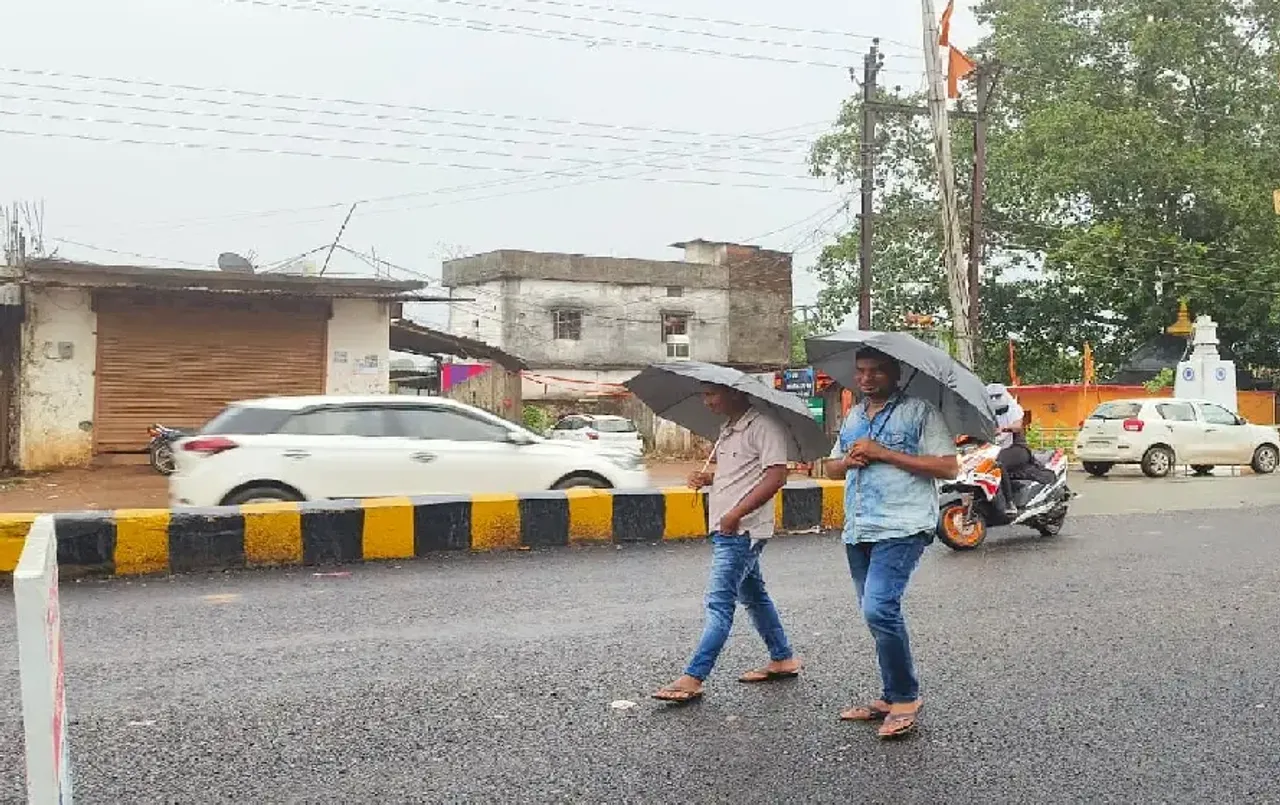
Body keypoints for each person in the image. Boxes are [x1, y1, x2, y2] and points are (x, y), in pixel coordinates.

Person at [823, 348, 959, 738]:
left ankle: (905, 698)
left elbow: (948, 466)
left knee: (879, 608)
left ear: (895, 374)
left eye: (877, 371)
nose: (866, 379)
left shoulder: (920, 412)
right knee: (875, 615)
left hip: (902, 525)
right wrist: (848, 462)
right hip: (859, 527)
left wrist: (883, 453)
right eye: (861, 371)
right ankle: (889, 694)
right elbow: (831, 468)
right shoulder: (853, 415)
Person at [652, 383, 801, 703]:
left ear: (734, 392)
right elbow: (738, 473)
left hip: (742, 531)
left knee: (719, 603)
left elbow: (776, 476)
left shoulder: (764, 426)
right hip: (727, 526)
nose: (707, 401)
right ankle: (782, 657)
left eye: (712, 394)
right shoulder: (728, 429)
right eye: (704, 395)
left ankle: (694, 676)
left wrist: (736, 514)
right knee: (755, 596)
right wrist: (707, 478)